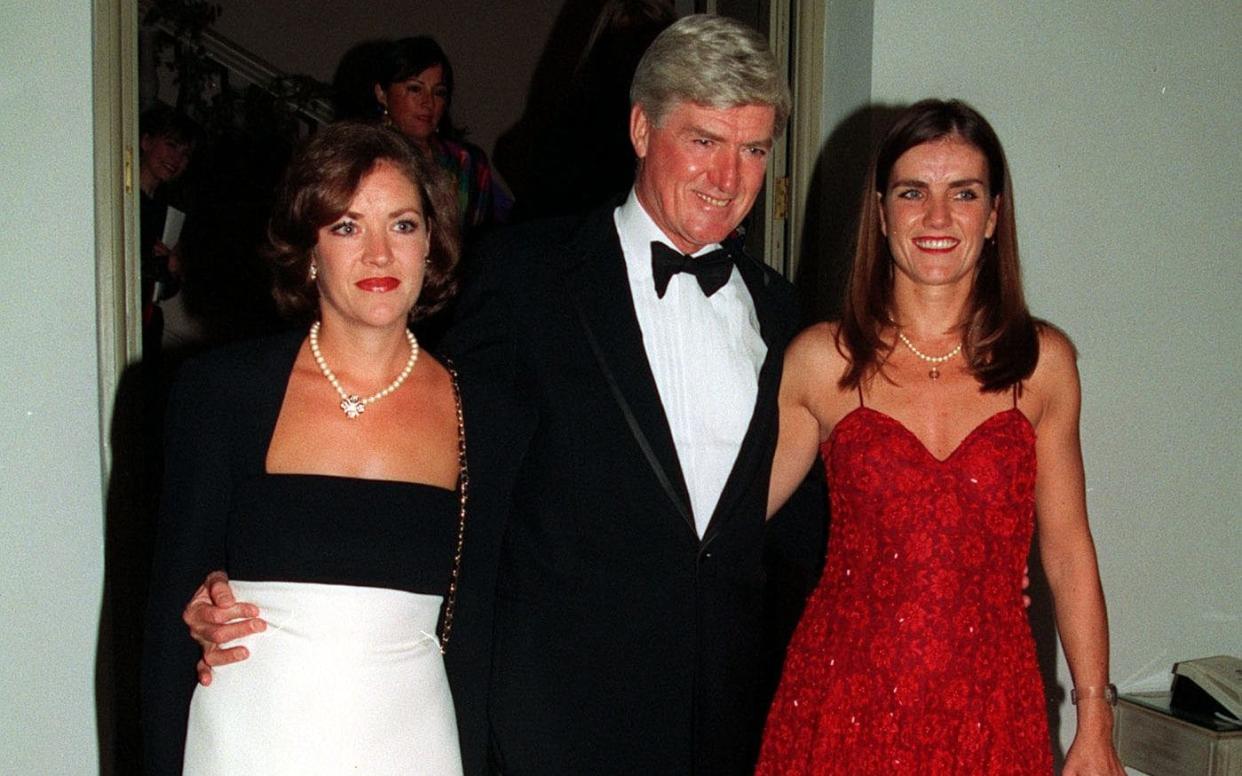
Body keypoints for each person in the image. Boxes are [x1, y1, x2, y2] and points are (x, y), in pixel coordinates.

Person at [183, 15, 821, 775]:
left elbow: (810, 529)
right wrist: (233, 580)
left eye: (753, 149)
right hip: (552, 728)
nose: (728, 178)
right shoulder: (522, 281)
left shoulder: (787, 317)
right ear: (642, 128)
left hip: (724, 728)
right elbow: (430, 465)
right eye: (705, 141)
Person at [755, 99, 1124, 775]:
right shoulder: (820, 361)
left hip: (990, 710)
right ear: (882, 210)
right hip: (844, 703)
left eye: (964, 194)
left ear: (993, 215)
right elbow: (729, 524)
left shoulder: (1043, 365)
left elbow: (1069, 552)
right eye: (912, 192)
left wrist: (1096, 717)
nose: (936, 217)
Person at [141, 121, 468, 775]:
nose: (379, 254)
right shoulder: (221, 392)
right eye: (347, 226)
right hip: (247, 739)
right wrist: (196, 609)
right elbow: (167, 616)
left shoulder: (488, 413)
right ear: (308, 249)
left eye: (402, 225)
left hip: (412, 743)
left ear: (430, 242)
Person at [370, 36, 508, 241]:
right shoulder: (362, 160)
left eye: (439, 92)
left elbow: (485, 242)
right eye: (415, 89)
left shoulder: (466, 162)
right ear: (382, 93)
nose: (428, 102)